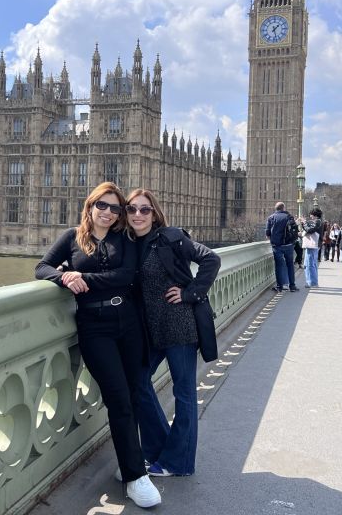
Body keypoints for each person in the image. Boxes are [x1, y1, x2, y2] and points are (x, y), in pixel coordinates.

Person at [35, 182, 160, 507]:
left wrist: (80, 277)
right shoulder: (71, 237)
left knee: (132, 396)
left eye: (115, 208)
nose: (107, 212)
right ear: (90, 206)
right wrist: (62, 277)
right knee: (118, 398)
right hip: (95, 328)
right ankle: (135, 477)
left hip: (128, 324)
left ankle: (129, 463)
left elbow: (126, 275)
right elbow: (41, 268)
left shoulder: (125, 238)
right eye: (101, 205)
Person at [126, 188, 221, 477]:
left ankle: (177, 462)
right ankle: (159, 450)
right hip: (151, 330)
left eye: (145, 209)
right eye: (131, 209)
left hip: (179, 326)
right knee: (138, 383)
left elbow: (211, 260)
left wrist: (189, 293)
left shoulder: (171, 237)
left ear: (154, 213)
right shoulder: (129, 244)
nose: (138, 215)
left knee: (184, 395)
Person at [265, 202, 299, 292]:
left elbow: (267, 233)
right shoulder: (289, 217)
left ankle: (279, 287)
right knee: (290, 265)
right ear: (283, 208)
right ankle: (292, 286)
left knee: (279, 266)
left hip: (277, 246)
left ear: (276, 208)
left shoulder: (271, 218)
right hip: (289, 245)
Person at [300, 208, 323, 288]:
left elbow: (310, 230)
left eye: (311, 215)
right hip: (312, 245)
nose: (310, 216)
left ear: (315, 215)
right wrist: (304, 223)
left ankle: (312, 282)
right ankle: (310, 281)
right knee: (308, 264)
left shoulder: (318, 222)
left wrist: (304, 223)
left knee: (310, 264)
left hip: (313, 245)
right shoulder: (318, 222)